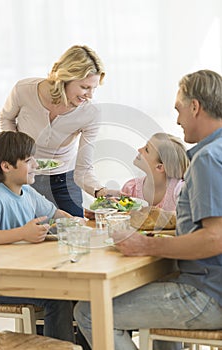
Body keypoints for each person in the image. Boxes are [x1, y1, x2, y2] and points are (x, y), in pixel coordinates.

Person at [74, 69, 222, 350]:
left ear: (195, 107)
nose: (177, 120)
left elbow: (214, 238)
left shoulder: (208, 159)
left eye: (179, 110)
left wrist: (144, 246)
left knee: (89, 312)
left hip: (209, 294)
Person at [0, 45, 119, 218]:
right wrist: (17, 156)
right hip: (23, 177)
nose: (90, 95)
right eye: (85, 87)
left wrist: (100, 190)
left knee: (75, 228)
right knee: (26, 233)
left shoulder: (90, 113)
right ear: (65, 78)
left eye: (94, 88)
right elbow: (6, 118)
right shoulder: (24, 90)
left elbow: (83, 168)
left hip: (63, 181)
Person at [0, 130, 80, 342]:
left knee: (78, 295)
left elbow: (55, 213)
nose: (36, 166)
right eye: (29, 161)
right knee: (57, 299)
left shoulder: (27, 193)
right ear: (6, 166)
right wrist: (23, 233)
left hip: (24, 274)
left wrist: (74, 222)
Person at [121, 132, 189, 211]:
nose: (139, 149)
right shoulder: (130, 188)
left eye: (146, 150)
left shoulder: (179, 191)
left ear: (159, 167)